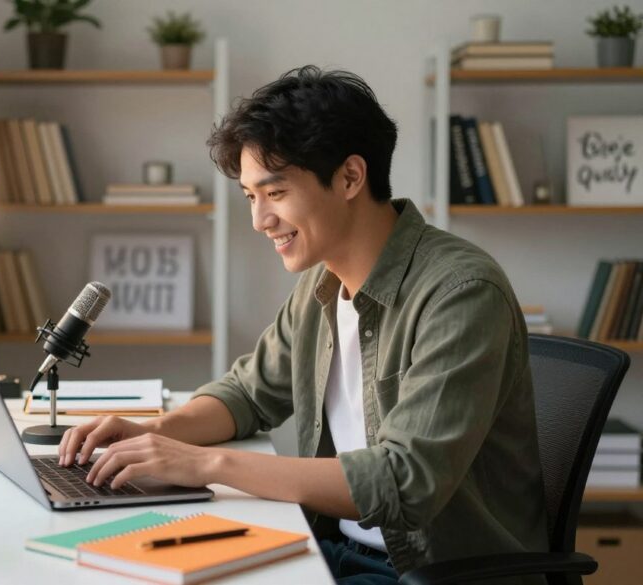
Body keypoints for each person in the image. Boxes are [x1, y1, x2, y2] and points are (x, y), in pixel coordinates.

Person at [58, 66, 547, 584]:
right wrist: (155, 433)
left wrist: (203, 465)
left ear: (350, 177)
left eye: (275, 193)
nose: (259, 221)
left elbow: (404, 483)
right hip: (331, 546)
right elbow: (249, 393)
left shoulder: (460, 293)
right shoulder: (322, 284)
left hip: (424, 572)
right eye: (251, 197)